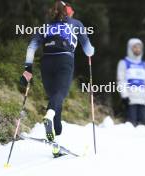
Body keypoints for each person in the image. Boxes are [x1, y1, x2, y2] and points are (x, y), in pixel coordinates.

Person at [20, 1, 94, 156]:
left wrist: (27, 70)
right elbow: (88, 50)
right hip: (64, 60)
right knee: (60, 95)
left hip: (47, 61)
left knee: (54, 98)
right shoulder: (76, 24)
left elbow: (31, 47)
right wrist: (90, 51)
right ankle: (50, 116)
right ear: (67, 12)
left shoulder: (45, 27)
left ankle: (56, 139)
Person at [117, 38, 145, 126]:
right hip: (130, 100)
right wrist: (124, 96)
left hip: (142, 100)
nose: (137, 49)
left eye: (139, 47)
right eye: (135, 47)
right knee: (131, 125)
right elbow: (121, 80)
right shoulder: (124, 63)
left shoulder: (144, 64)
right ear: (130, 48)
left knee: (142, 125)